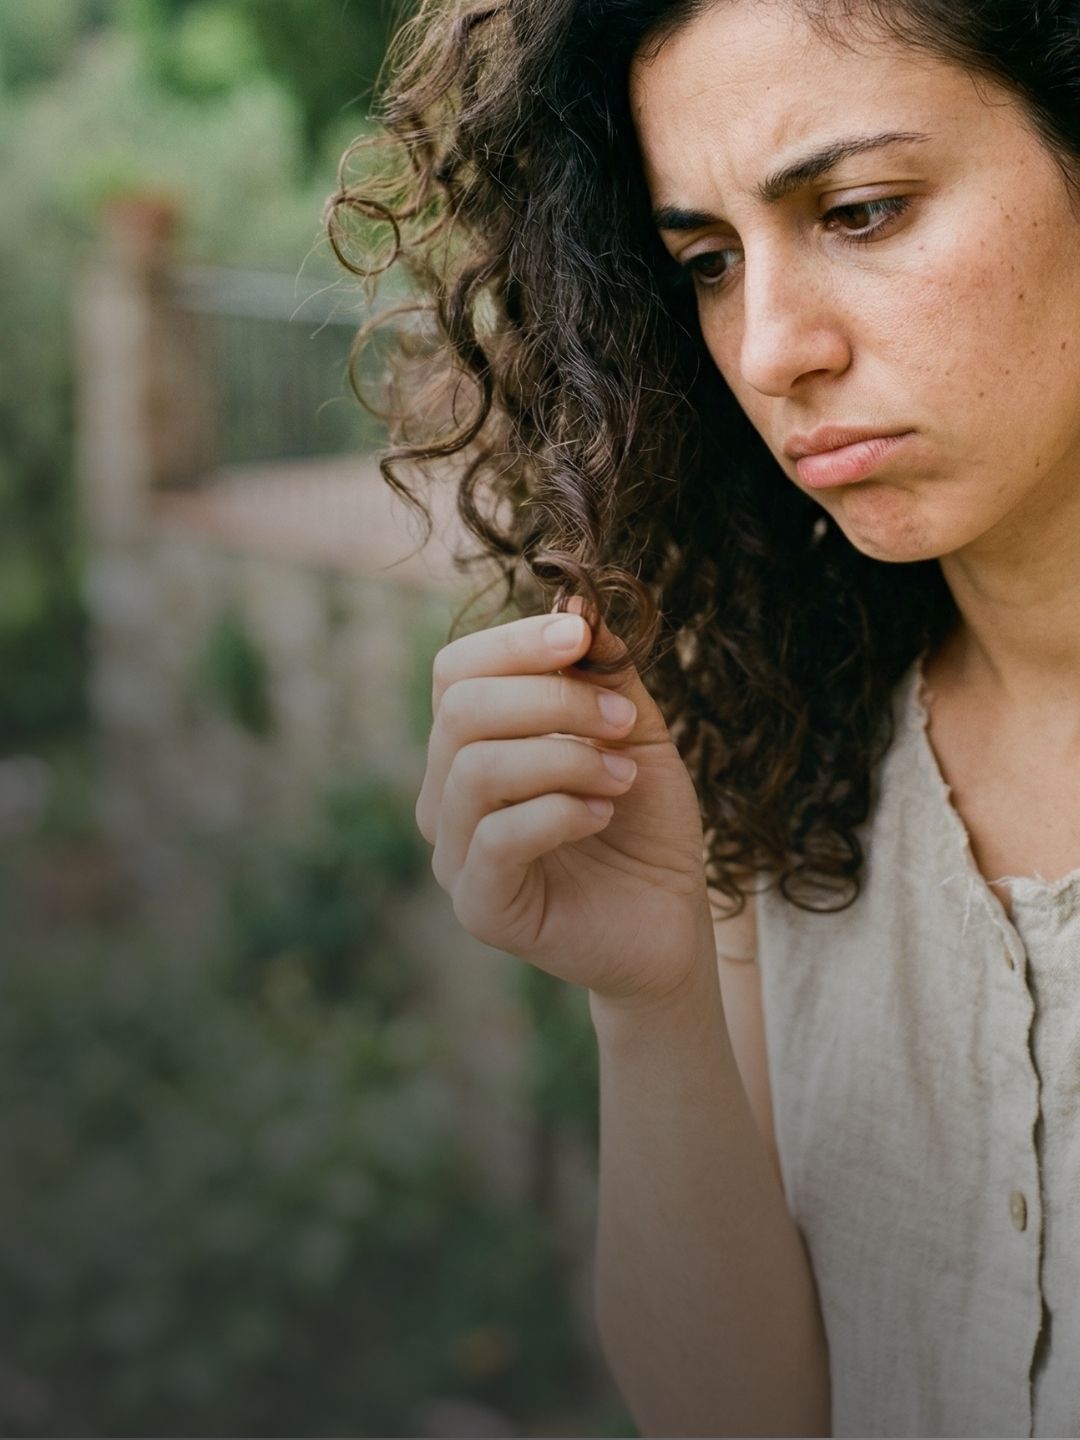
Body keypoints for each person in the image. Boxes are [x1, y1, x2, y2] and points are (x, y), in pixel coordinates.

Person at [329, 1, 1080, 1433]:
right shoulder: (773, 748)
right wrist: (649, 996)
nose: (771, 348)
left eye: (861, 211)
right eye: (710, 263)